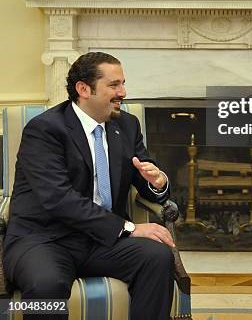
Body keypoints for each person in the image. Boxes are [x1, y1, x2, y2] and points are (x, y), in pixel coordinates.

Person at [3, 52, 175, 320]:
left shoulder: (127, 125)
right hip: (46, 238)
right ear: (83, 89)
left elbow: (146, 178)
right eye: (114, 85)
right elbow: (59, 199)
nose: (123, 92)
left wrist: (158, 181)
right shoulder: (44, 130)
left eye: (123, 83)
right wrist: (129, 228)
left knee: (157, 257)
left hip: (102, 241)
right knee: (46, 286)